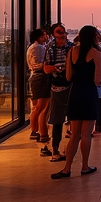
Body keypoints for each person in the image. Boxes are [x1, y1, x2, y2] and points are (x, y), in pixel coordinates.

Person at [52, 25, 101, 179]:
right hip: (89, 94)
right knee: (86, 135)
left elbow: (68, 77)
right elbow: (97, 80)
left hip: (75, 94)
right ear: (94, 37)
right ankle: (85, 166)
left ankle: (67, 168)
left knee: (74, 135)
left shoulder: (72, 52)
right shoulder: (96, 54)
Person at [42, 23, 71, 160]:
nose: (62, 35)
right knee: (57, 119)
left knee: (73, 119)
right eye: (59, 32)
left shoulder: (71, 47)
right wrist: (57, 68)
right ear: (53, 34)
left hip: (71, 86)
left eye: (64, 32)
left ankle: (68, 149)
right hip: (57, 87)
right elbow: (46, 68)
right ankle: (55, 149)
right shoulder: (49, 49)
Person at [26, 28, 50, 142]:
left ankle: (34, 130)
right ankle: (39, 131)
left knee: (36, 106)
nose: (46, 37)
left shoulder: (32, 48)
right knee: (42, 107)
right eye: (45, 35)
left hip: (35, 77)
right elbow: (39, 64)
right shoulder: (39, 48)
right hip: (40, 77)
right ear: (40, 37)